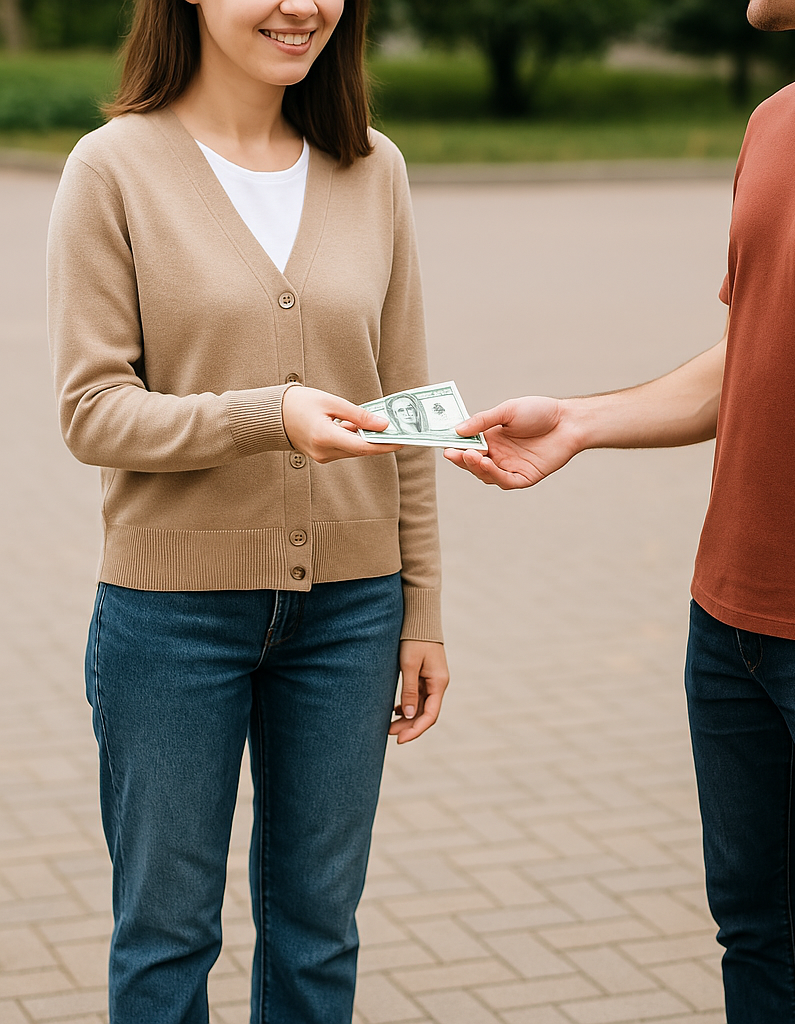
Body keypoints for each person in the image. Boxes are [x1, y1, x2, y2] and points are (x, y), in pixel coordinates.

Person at [445, 1, 795, 1021]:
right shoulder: (775, 120)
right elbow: (759, 350)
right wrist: (580, 420)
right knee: (760, 939)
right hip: (728, 630)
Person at [46, 0, 449, 1021]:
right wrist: (269, 415)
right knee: (166, 937)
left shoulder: (375, 168)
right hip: (171, 619)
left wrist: (423, 610)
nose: (300, 7)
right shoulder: (112, 170)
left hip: (353, 614)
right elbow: (92, 411)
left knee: (319, 933)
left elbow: (408, 406)